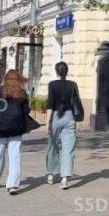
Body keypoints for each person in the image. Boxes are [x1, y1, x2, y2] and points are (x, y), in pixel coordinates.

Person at [0, 69, 36, 194]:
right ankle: (12, 185)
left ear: (5, 79)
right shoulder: (21, 92)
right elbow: (27, 110)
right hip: (16, 127)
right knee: (15, 155)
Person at [45, 61, 81, 189]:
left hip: (55, 116)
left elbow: (50, 104)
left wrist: (47, 122)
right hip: (69, 116)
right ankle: (64, 179)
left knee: (52, 145)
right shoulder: (73, 85)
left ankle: (51, 174)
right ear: (67, 71)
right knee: (68, 148)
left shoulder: (52, 85)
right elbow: (76, 101)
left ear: (57, 72)